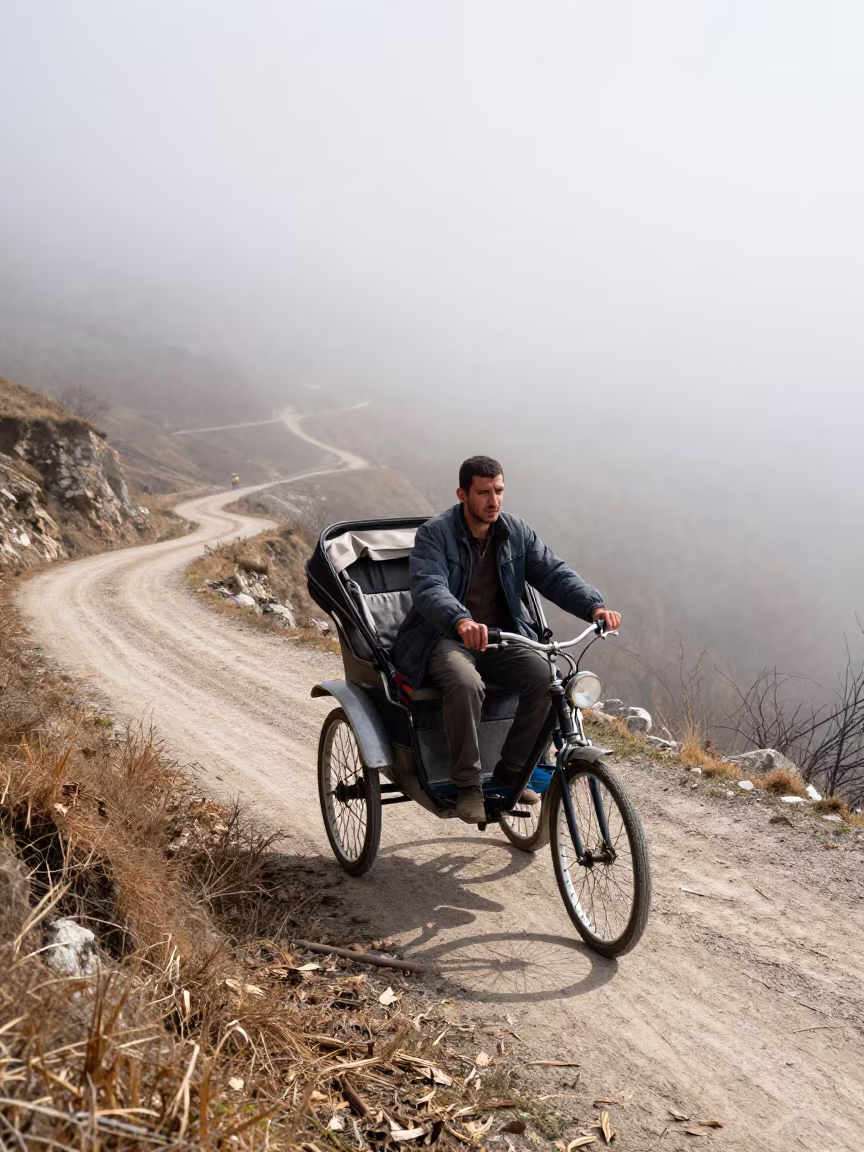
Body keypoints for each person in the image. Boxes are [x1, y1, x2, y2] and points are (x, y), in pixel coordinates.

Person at [392, 455, 621, 824]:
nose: (493, 500)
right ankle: (468, 786)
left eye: (498, 490)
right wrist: (460, 619)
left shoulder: (516, 533)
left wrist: (593, 606)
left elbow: (553, 573)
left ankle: (511, 774)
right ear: (462, 495)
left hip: (503, 638)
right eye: (483, 492)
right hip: (444, 638)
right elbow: (428, 586)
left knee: (549, 681)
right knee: (466, 684)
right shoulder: (435, 534)